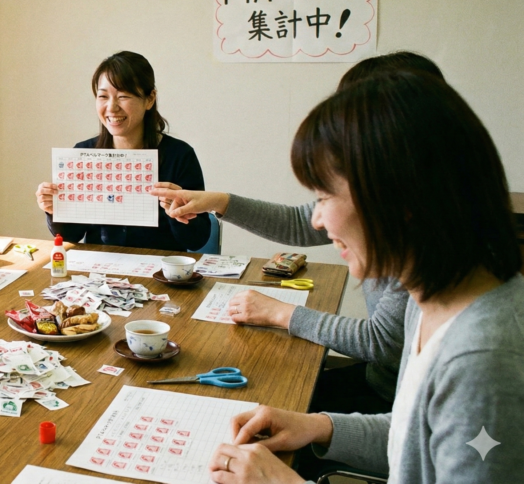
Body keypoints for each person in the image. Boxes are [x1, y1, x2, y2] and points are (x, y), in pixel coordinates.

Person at [206, 71, 523, 483]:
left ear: (398, 196)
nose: (317, 220)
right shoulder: (431, 301)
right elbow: (412, 438)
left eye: (324, 197)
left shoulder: (482, 363)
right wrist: (318, 426)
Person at [149, 51, 445, 416]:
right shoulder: (402, 203)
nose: (319, 218)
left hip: (392, 399)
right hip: (386, 384)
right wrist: (219, 201)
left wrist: (281, 314)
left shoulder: (423, 236)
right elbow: (299, 222)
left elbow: (382, 342)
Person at [35, 51, 211, 251]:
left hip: (159, 268)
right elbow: (70, 236)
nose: (111, 107)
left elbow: (196, 240)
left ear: (150, 99)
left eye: (123, 96)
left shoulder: (179, 156)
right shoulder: (83, 154)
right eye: (103, 96)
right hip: (99, 267)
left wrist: (179, 211)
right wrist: (54, 210)